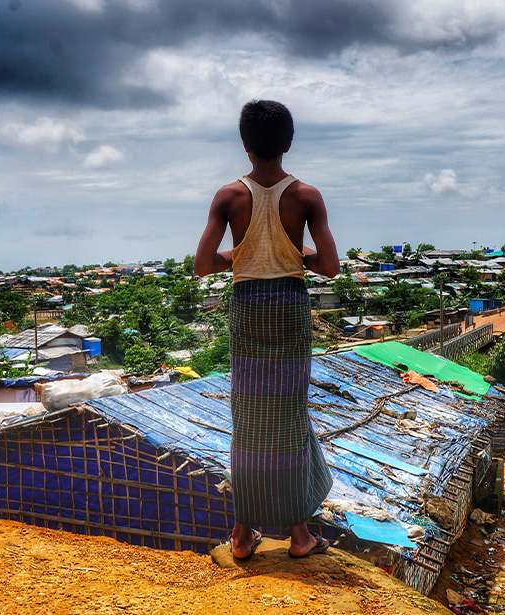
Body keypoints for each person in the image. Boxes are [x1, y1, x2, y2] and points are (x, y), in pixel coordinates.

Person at [195, 100, 340, 559]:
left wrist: (241, 255)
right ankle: (300, 536)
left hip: (248, 311)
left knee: (249, 419)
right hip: (291, 311)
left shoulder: (229, 196)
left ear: (245, 145)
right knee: (290, 418)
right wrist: (294, 256)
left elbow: (202, 265)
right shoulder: (306, 195)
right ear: (289, 144)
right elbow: (330, 267)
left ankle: (241, 535)